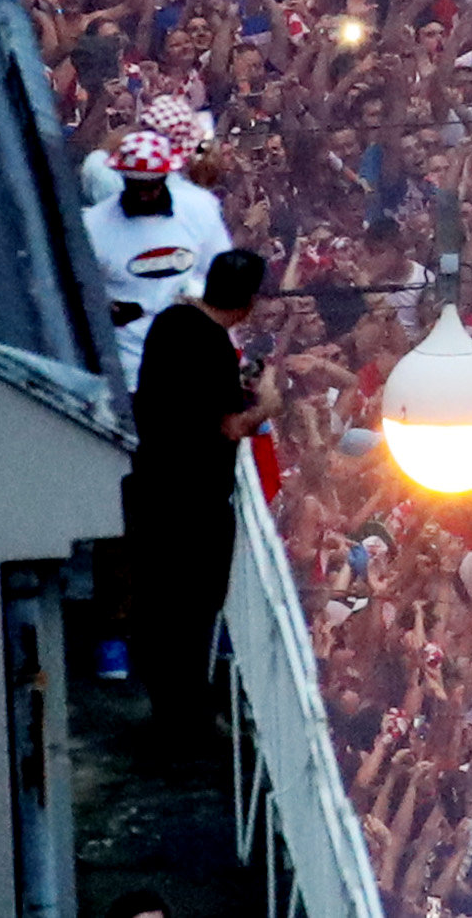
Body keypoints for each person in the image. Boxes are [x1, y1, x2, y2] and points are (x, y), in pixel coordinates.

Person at [123, 248, 276, 746]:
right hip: (194, 502)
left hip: (149, 486)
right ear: (249, 302)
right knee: (191, 609)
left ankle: (168, 704)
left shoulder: (171, 322)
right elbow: (230, 425)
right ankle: (183, 718)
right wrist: (267, 404)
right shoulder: (211, 346)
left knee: (157, 599)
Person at [82, 130, 233, 390]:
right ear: (122, 177)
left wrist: (195, 299)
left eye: (152, 185)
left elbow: (221, 275)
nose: (144, 194)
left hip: (188, 364)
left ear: (166, 176)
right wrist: (104, 307)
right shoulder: (93, 226)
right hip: (126, 371)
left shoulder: (200, 209)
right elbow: (77, 292)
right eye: (136, 185)